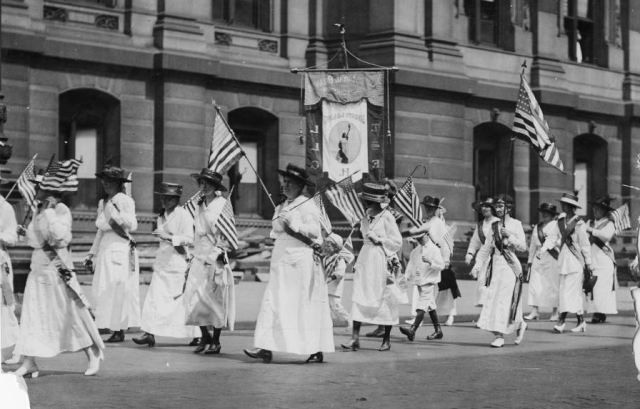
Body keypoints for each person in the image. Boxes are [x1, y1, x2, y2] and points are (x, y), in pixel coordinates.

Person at [12, 181, 104, 377]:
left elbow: (60, 236)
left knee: (67, 316)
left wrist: (51, 212)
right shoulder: (39, 209)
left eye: (43, 189)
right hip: (37, 270)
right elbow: (35, 241)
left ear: (54, 192)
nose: (39, 192)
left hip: (56, 271)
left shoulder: (62, 211)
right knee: (32, 317)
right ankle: (29, 362)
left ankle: (92, 353)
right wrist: (25, 232)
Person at [245, 164, 333, 363]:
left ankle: (314, 348)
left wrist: (294, 222)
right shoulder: (282, 205)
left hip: (299, 260)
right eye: (284, 182)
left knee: (300, 303)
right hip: (281, 259)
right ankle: (265, 346)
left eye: (290, 183)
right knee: (272, 302)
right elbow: (276, 230)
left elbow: (314, 231)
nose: (285, 186)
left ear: (300, 186)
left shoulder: (307, 204)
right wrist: (281, 220)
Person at [133, 183, 198, 348]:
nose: (164, 200)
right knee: (154, 298)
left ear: (176, 199)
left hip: (178, 261)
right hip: (162, 263)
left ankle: (195, 333)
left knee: (181, 301)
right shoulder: (160, 216)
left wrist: (170, 237)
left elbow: (189, 238)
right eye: (163, 197)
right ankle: (149, 332)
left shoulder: (183, 214)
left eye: (168, 197)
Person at [341, 183, 402, 352]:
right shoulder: (366, 216)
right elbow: (363, 234)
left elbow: (397, 242)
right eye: (365, 200)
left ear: (376, 201)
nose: (365, 203)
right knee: (360, 293)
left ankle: (387, 339)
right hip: (366, 258)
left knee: (384, 295)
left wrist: (380, 240)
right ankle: (354, 338)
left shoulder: (387, 216)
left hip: (381, 258)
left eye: (368, 200)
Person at [183, 169, 236, 355]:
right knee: (192, 297)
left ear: (215, 186)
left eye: (207, 183)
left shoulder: (222, 204)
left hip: (215, 256)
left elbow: (226, 236)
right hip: (198, 254)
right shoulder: (199, 204)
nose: (203, 186)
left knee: (214, 299)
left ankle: (216, 340)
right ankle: (204, 334)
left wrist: (214, 256)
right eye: (201, 183)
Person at [86, 164, 140, 343]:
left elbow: (132, 224)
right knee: (104, 289)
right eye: (104, 180)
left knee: (119, 290)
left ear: (118, 183)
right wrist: (91, 253)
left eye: (109, 180)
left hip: (119, 247)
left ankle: (119, 330)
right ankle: (108, 325)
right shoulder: (103, 203)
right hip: (105, 250)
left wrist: (117, 215)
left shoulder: (124, 200)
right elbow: (100, 232)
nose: (105, 183)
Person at [474, 194, 527, 347]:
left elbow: (523, 247)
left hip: (510, 267)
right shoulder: (494, 226)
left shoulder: (516, 224)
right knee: (493, 299)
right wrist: (477, 265)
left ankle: (500, 336)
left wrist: (509, 236)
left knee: (505, 301)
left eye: (500, 206)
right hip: (496, 266)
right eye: (496, 206)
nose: (497, 209)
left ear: (508, 208)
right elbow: (486, 248)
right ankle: (520, 323)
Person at [553, 193, 594, 333]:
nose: (562, 206)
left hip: (576, 262)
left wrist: (588, 263)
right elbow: (557, 239)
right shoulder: (560, 221)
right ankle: (581, 321)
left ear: (571, 207)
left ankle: (561, 320)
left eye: (565, 204)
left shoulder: (579, 223)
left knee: (570, 292)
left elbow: (585, 244)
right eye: (562, 203)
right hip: (564, 260)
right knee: (567, 291)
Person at [398, 233, 445, 341]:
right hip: (419, 282)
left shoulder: (434, 249)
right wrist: (405, 279)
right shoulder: (416, 250)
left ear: (427, 235)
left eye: (421, 237)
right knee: (430, 306)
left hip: (429, 282)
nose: (419, 240)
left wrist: (431, 262)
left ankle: (413, 329)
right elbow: (411, 265)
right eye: (417, 238)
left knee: (422, 305)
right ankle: (438, 330)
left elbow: (441, 266)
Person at [524, 203, 561, 321]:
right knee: (535, 284)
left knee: (552, 284)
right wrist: (529, 261)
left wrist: (554, 243)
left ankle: (555, 312)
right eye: (543, 212)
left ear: (552, 215)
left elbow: (561, 240)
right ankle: (535, 311)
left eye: (548, 213)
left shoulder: (556, 225)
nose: (544, 215)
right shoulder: (538, 226)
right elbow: (533, 245)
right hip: (538, 257)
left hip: (551, 256)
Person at [585, 196, 618, 324]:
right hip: (592, 257)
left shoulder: (609, 224)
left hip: (604, 259)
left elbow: (605, 235)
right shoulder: (590, 222)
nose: (595, 210)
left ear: (605, 210)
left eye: (598, 208)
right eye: (594, 208)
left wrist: (590, 230)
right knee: (592, 287)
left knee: (602, 287)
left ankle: (599, 312)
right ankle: (597, 311)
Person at [467, 198, 500, 308]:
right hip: (483, 256)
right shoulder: (480, 225)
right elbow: (475, 241)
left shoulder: (498, 222)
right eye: (483, 206)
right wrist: (470, 254)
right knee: (482, 280)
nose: (485, 209)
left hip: (496, 256)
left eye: (488, 206)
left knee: (491, 282)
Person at [0, 178, 19, 364]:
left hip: (0, 263)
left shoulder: (4, 207)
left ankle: (10, 348)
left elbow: (12, 236)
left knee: (4, 306)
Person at [322, 233, 354, 332]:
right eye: (325, 245)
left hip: (334, 286)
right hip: (325, 286)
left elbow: (340, 273)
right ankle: (327, 325)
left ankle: (349, 320)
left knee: (336, 306)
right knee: (326, 307)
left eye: (329, 246)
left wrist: (331, 277)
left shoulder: (338, 259)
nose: (326, 248)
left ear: (336, 247)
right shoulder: (325, 258)